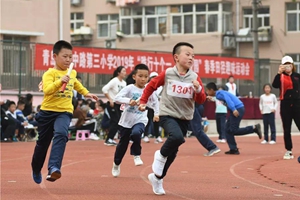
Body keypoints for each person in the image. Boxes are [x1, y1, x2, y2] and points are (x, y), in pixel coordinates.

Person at [138, 42, 206, 195]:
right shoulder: (168, 73)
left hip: (184, 117)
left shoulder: (195, 77)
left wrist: (199, 89)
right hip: (167, 113)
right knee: (176, 138)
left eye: (193, 56)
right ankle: (160, 155)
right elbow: (151, 86)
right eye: (187, 54)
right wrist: (143, 102)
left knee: (173, 151)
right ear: (176, 57)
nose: (191, 58)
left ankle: (158, 177)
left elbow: (201, 100)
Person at [31, 40, 98, 184]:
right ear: (54, 56)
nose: (68, 60)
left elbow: (76, 84)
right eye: (65, 56)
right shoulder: (49, 74)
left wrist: (87, 93)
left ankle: (54, 167)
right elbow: (47, 90)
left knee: (61, 134)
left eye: (70, 57)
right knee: (43, 143)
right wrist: (60, 81)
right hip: (47, 112)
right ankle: (36, 169)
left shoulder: (72, 72)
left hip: (65, 111)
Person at [112, 64, 159, 177]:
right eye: (140, 76)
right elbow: (116, 99)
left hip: (141, 118)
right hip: (127, 120)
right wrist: (129, 101)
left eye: (146, 76)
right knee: (122, 145)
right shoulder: (129, 88)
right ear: (134, 76)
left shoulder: (149, 90)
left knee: (137, 133)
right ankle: (116, 164)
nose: (143, 79)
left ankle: (136, 155)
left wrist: (157, 113)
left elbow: (155, 102)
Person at [206, 82, 262, 155]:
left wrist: (233, 109)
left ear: (211, 90)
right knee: (227, 129)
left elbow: (228, 99)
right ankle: (233, 149)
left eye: (207, 90)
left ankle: (253, 128)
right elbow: (224, 100)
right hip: (237, 108)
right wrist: (212, 98)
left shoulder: (219, 94)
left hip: (237, 109)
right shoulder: (218, 94)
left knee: (233, 130)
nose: (207, 92)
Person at [272, 55, 300, 160]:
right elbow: (274, 85)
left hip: (297, 104)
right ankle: (289, 150)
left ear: (292, 65)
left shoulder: (297, 76)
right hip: (285, 105)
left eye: (289, 65)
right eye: (285, 65)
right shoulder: (280, 76)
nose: (288, 67)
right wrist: (279, 73)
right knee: (287, 128)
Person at [102, 66, 127, 146]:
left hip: (119, 104)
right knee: (115, 121)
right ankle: (109, 139)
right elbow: (104, 89)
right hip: (112, 104)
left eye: (125, 71)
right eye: (123, 71)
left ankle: (112, 138)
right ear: (118, 72)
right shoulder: (114, 81)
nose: (125, 73)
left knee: (119, 121)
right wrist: (110, 99)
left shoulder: (124, 83)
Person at [143, 71, 163, 143]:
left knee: (156, 122)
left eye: (156, 77)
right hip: (148, 106)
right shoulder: (147, 86)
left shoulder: (160, 87)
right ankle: (145, 136)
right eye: (153, 77)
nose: (154, 79)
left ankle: (157, 136)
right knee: (147, 121)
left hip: (156, 107)